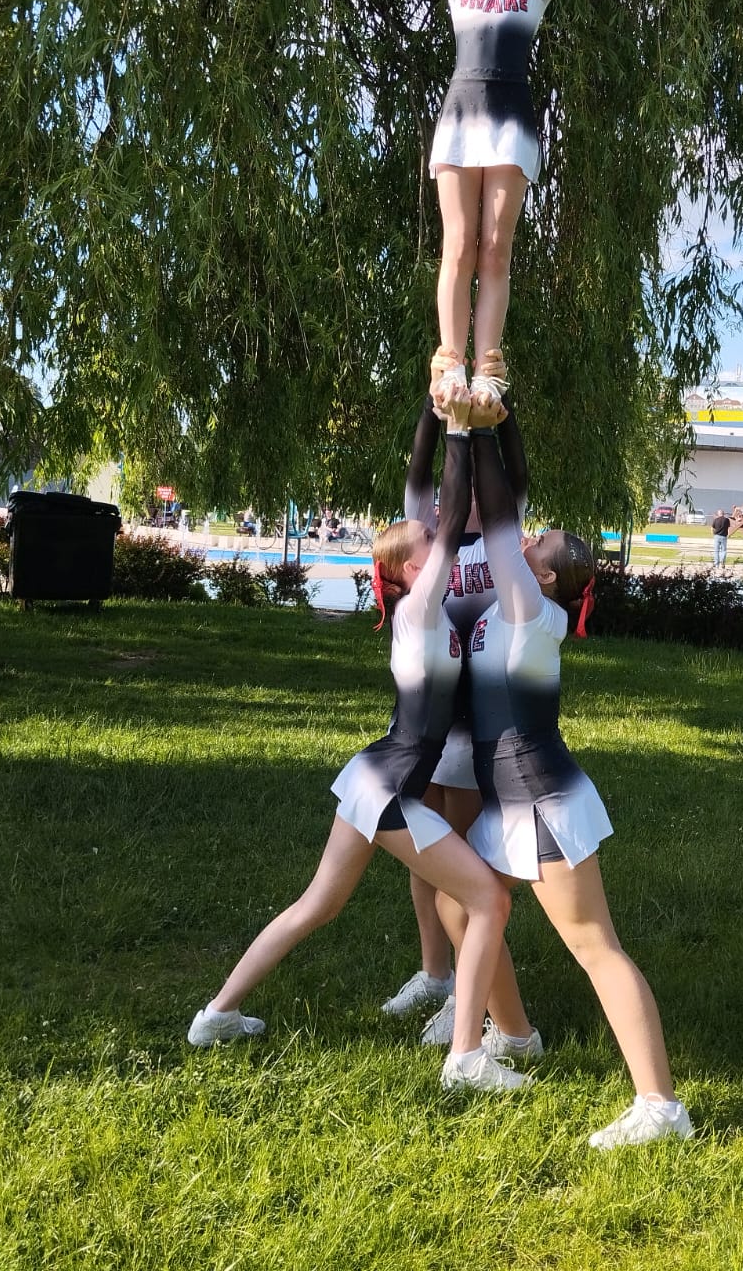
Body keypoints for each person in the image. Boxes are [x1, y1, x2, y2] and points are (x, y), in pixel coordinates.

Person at [187, 388, 525, 1092]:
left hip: (375, 778)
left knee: (319, 905)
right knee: (488, 901)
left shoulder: (417, 611)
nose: (437, 535)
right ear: (412, 571)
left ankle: (215, 1015)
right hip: (393, 788)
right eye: (428, 545)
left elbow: (447, 516)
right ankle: (467, 1059)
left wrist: (450, 416)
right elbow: (451, 511)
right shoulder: (421, 609)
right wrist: (458, 426)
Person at [375, 0, 657, 415]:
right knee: (458, 245)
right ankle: (450, 362)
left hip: (511, 122)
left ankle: (488, 371)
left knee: (496, 248)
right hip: (459, 119)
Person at [449, 412, 694, 1148]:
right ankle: (516, 1035)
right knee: (461, 902)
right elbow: (505, 508)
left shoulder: (529, 610)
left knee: (594, 945)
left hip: (541, 802)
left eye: (538, 546)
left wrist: (474, 427)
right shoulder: (519, 603)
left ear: (547, 576)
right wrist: (501, 424)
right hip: (509, 800)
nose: (526, 542)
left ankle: (661, 1107)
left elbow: (499, 520)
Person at [381, 394, 532, 1053]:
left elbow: (515, 469)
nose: (455, 493)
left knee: (465, 857)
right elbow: (422, 467)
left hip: (477, 725)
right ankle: (434, 972)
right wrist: (436, 400)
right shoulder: (428, 528)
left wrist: (500, 407)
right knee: (426, 851)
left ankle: (470, 998)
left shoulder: (500, 525)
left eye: (465, 483)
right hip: (428, 726)